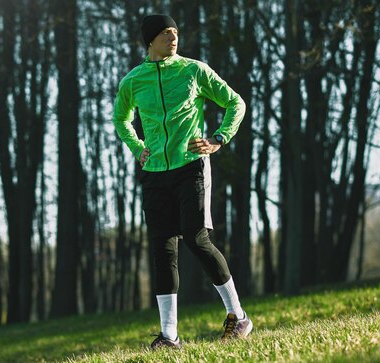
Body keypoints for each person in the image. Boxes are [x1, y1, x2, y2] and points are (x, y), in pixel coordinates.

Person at [112, 14, 253, 349]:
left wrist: (219, 137)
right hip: (155, 172)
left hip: (191, 165)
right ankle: (169, 336)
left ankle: (239, 316)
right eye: (165, 33)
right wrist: (138, 148)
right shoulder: (133, 81)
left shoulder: (193, 70)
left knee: (196, 238)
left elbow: (236, 102)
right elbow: (121, 118)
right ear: (149, 40)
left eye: (175, 31)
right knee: (163, 250)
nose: (173, 37)